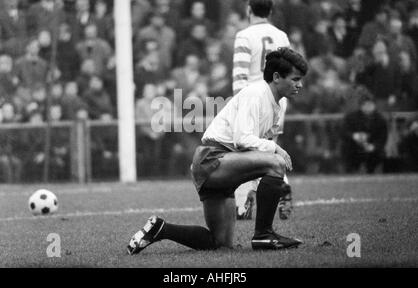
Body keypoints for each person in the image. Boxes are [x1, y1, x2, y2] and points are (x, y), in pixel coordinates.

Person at [127, 47, 307, 254]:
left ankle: (160, 229)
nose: (299, 84)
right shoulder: (256, 93)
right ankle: (264, 235)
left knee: (219, 243)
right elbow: (242, 140)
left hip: (222, 164)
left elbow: (254, 150)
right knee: (276, 162)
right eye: (295, 79)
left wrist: (261, 181)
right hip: (213, 160)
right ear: (276, 77)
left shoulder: (275, 104)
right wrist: (276, 149)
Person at [231, 0, 292, 220]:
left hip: (252, 99)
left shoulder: (244, 36)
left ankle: (242, 205)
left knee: (243, 152)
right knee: (268, 149)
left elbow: (240, 74)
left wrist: (238, 105)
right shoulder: (281, 36)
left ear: (249, 9)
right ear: (271, 11)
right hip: (277, 99)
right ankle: (282, 183)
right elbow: (290, 73)